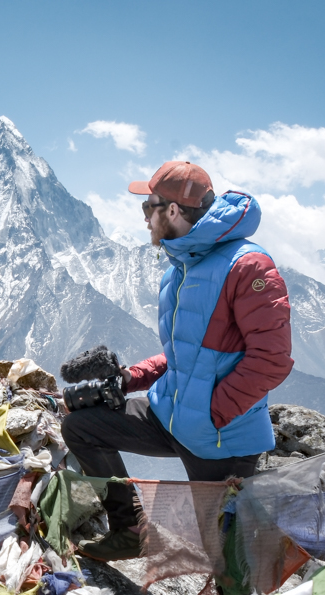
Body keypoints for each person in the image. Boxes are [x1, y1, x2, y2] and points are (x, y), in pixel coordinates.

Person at [62, 161, 293, 561]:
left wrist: (212, 414)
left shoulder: (248, 267)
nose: (145, 219)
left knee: (226, 561)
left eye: (147, 208)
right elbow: (184, 354)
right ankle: (130, 530)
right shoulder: (181, 266)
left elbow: (272, 360)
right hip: (171, 416)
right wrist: (130, 378)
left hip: (221, 440)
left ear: (171, 211)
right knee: (82, 426)